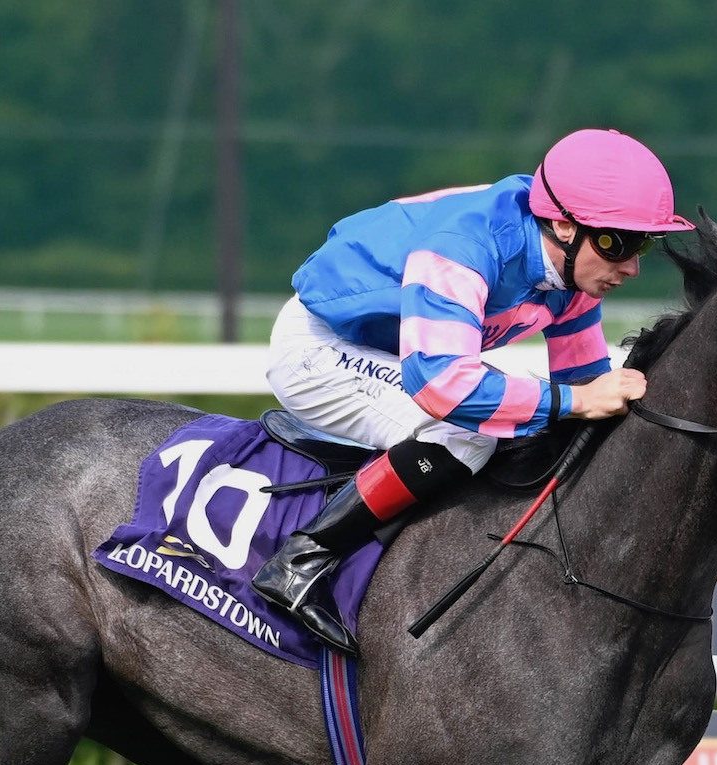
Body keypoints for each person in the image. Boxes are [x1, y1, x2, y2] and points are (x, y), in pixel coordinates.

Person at [252, 128, 694, 654]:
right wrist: (576, 401)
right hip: (322, 349)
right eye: (616, 243)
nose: (631, 266)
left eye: (642, 244)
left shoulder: (573, 271)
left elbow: (585, 383)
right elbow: (442, 385)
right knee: (470, 434)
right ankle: (301, 560)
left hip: (397, 352)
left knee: (529, 423)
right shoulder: (466, 245)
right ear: (563, 225)